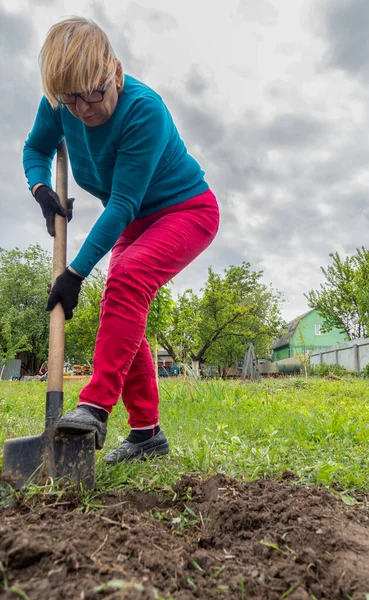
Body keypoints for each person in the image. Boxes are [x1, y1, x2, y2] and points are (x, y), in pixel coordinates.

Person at [23, 17, 220, 464]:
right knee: (121, 305)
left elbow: (123, 204)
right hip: (133, 221)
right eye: (71, 99)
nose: (83, 109)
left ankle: (94, 406)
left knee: (127, 278)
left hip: (185, 211)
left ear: (115, 70)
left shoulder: (143, 109)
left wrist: (75, 272)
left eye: (93, 93)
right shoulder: (61, 104)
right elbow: (35, 149)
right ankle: (147, 434)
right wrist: (40, 188)